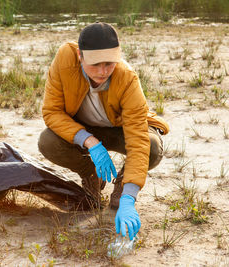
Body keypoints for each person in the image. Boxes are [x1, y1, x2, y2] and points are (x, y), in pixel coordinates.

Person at [38, 22, 169, 241]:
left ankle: (121, 188)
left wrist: (129, 197)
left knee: (152, 148)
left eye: (109, 63)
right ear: (80, 56)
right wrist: (89, 141)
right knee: (47, 141)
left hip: (119, 129)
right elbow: (52, 112)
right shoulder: (64, 60)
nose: (103, 71)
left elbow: (137, 140)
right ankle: (91, 174)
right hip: (84, 130)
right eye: (96, 64)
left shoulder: (128, 78)